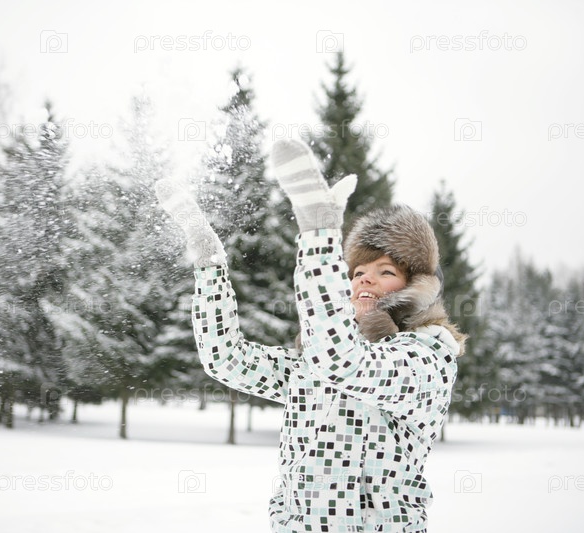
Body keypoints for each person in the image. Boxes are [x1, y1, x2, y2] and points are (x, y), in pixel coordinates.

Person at [155, 139, 466, 533]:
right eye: (357, 272)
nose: (365, 278)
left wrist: (319, 235)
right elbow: (225, 359)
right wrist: (211, 268)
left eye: (386, 271)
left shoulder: (426, 358)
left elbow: (344, 362)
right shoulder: (312, 365)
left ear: (415, 287)